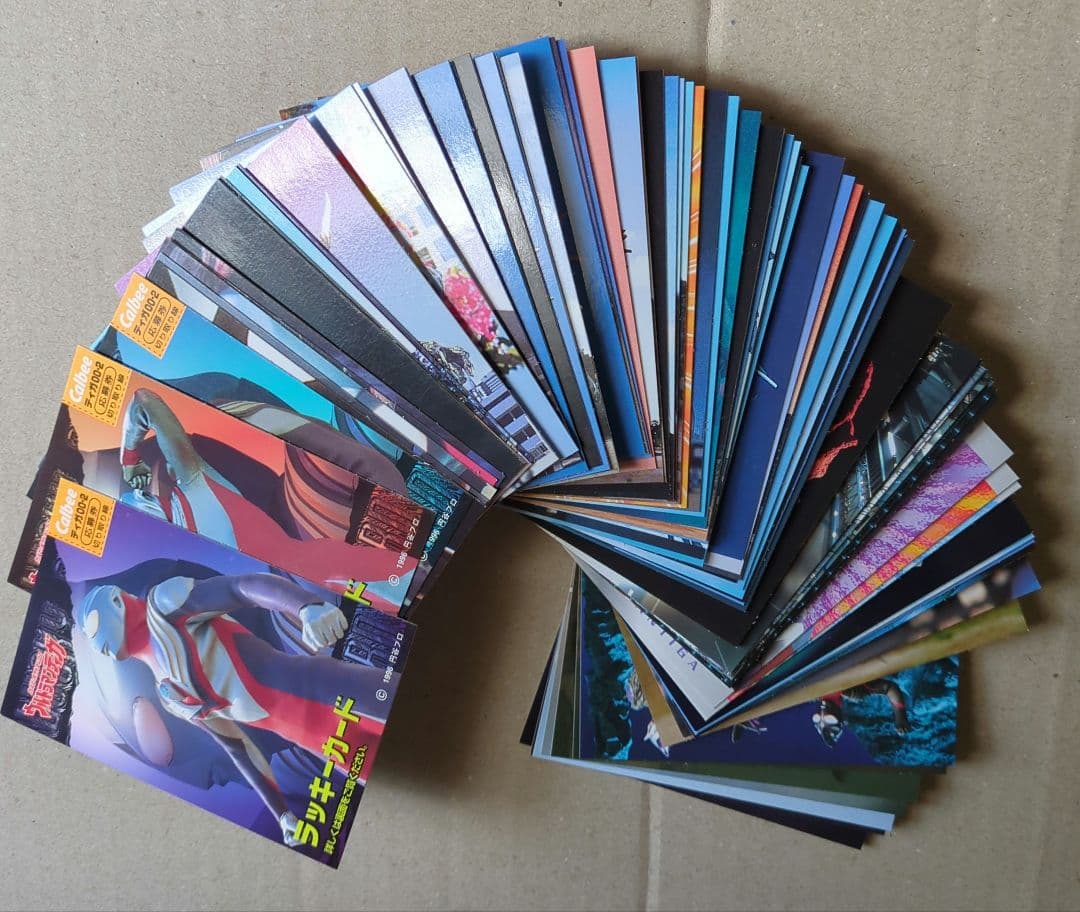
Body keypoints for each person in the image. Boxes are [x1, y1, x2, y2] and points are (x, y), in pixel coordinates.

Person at [75, 572, 389, 846]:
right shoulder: (170, 695)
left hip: (328, 690)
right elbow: (238, 748)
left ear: (116, 601)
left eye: (93, 627)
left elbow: (239, 588)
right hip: (322, 744)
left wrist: (305, 605)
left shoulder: (164, 606)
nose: (99, 643)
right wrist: (281, 813)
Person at [117, 388, 410, 605]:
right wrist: (129, 459)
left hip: (327, 562)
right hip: (325, 566)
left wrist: (131, 461)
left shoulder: (191, 492)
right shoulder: (191, 489)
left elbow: (146, 402)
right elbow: (145, 402)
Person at [812, 678, 912, 747]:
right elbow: (890, 688)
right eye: (829, 719)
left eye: (817, 718)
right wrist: (900, 716)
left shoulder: (812, 694)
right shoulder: (854, 692)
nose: (823, 713)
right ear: (839, 716)